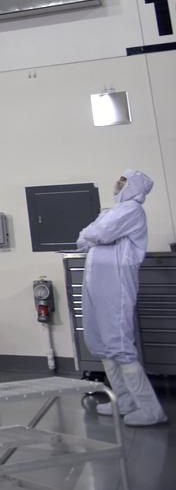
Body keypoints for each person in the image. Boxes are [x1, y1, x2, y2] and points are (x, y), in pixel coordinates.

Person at [77, 169, 167, 426]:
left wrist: (93, 235)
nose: (118, 183)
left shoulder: (131, 210)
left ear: (135, 186)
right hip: (95, 281)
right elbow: (83, 239)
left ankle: (150, 410)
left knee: (118, 341)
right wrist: (92, 235)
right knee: (99, 341)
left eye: (124, 180)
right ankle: (124, 401)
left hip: (115, 282)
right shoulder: (112, 211)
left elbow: (98, 234)